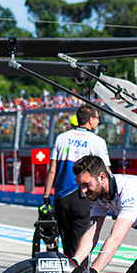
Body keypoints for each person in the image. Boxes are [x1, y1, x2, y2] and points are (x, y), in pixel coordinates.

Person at [41, 105, 110, 257]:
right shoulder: (97, 141)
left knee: (67, 243)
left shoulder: (61, 137)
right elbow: (106, 172)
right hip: (84, 196)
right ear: (91, 120)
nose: (98, 122)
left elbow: (52, 169)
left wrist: (46, 195)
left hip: (61, 197)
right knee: (82, 243)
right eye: (98, 118)